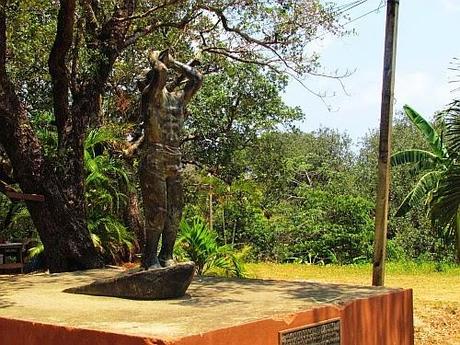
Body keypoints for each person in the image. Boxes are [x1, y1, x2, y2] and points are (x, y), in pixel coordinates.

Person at [136, 49, 202, 269]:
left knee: (175, 211)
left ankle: (166, 255)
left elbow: (197, 78)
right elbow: (161, 72)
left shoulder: (177, 101)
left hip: (175, 157)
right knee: (158, 211)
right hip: (154, 155)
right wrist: (155, 58)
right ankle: (149, 257)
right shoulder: (149, 96)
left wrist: (174, 62)